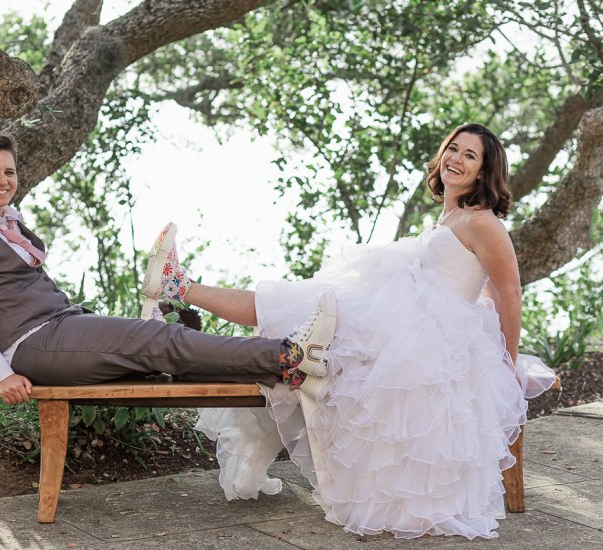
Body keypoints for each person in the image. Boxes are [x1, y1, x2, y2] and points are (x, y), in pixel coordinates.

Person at [139, 123, 557, 540]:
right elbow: (479, 284)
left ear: (484, 172)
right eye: (453, 148)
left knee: (289, 312)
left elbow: (509, 292)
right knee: (289, 312)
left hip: (419, 335)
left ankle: (179, 294)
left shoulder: (484, 222)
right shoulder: (452, 216)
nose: (456, 159)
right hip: (404, 322)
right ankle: (178, 294)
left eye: (470, 155)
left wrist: (506, 359)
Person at [0, 133, 336, 406]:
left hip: (58, 326)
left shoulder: (2, 219)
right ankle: (291, 355)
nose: (3, 180)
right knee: (159, 340)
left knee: (162, 346)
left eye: (9, 172)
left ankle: (285, 371)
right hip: (30, 343)